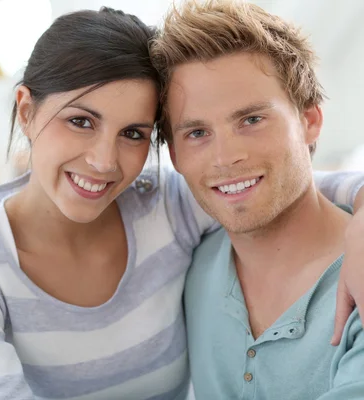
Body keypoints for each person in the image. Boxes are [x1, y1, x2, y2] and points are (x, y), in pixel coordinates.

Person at [0, 6, 364, 400]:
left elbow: (293, 184)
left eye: (133, 134)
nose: (102, 160)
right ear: (26, 111)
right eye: (80, 121)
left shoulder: (166, 208)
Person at [150, 0, 364, 398]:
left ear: (310, 121)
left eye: (251, 120)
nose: (225, 157)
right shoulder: (187, 265)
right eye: (196, 132)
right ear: (174, 155)